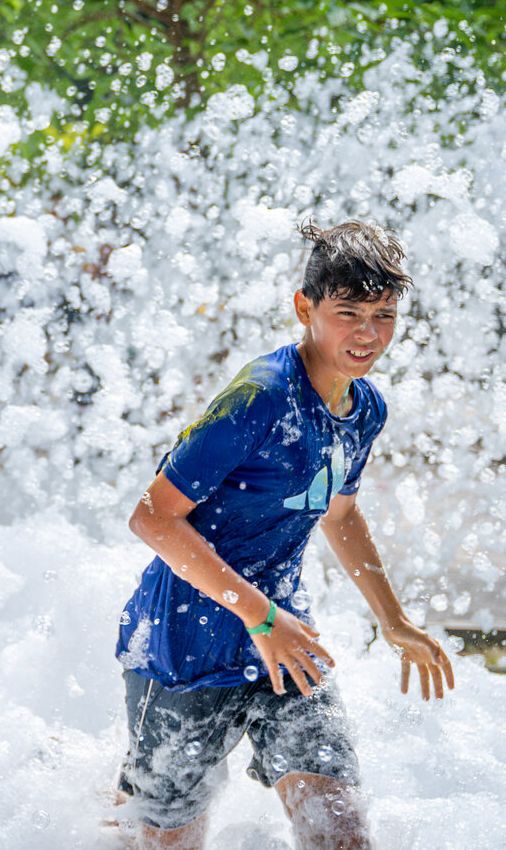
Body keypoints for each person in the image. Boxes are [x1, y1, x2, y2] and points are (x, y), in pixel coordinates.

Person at [114, 221, 455, 849]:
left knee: (343, 833)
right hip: (183, 648)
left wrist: (394, 620)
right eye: (348, 312)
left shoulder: (365, 409)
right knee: (161, 842)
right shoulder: (261, 397)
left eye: (383, 315)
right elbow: (152, 517)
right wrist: (261, 617)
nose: (367, 333)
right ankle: (114, 803)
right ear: (305, 306)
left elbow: (341, 514)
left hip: (286, 645)